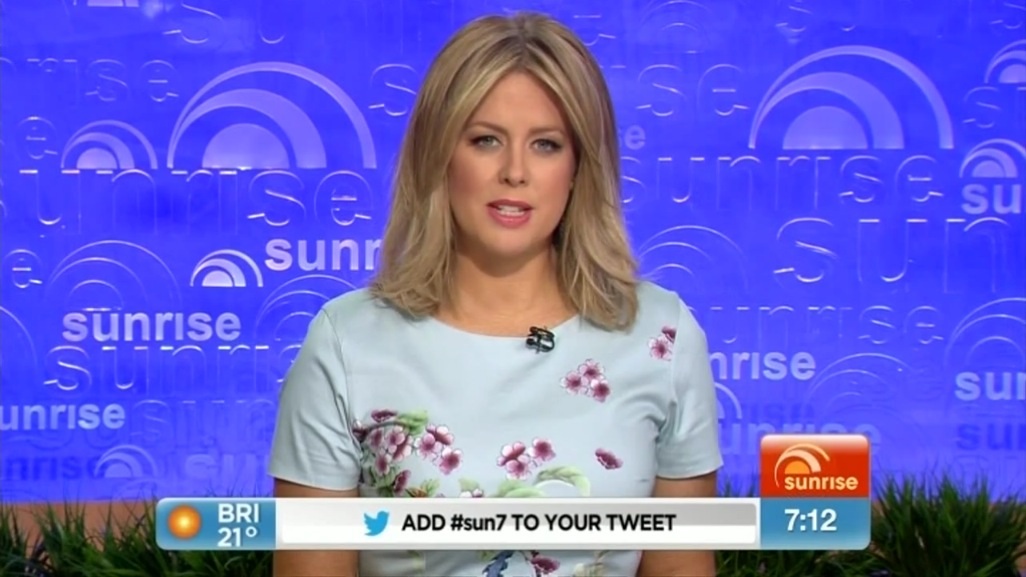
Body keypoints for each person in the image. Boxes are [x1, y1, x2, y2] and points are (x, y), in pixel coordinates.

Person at [268, 11, 722, 577]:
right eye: (486, 140)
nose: (515, 172)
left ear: (579, 167)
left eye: (546, 145)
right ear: (439, 155)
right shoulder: (347, 344)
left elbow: (681, 565)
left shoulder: (660, 337)